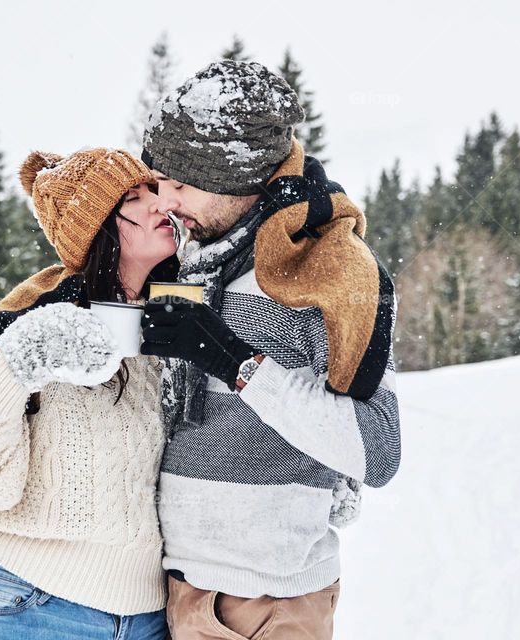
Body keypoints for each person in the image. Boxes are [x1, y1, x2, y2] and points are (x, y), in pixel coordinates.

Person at [138, 60, 402, 639]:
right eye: (159, 180)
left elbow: (379, 451)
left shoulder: (326, 273)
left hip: (272, 602)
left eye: (182, 183)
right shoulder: (191, 262)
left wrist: (234, 363)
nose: (165, 198)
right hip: (177, 591)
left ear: (238, 178)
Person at [0, 148, 180, 639]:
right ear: (98, 226)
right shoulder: (41, 316)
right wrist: (18, 366)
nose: (158, 204)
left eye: (155, 190)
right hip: (37, 608)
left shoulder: (177, 318)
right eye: (134, 197)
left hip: (151, 617)